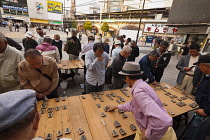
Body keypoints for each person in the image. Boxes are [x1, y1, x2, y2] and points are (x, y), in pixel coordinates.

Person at [107, 62, 176, 140]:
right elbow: (133, 105)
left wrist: (147, 136)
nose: (125, 81)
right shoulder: (142, 85)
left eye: (124, 78)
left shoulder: (138, 92)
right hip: (154, 130)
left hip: (158, 135)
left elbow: (162, 121)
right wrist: (116, 107)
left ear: (127, 77)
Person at [182, 55, 210, 140]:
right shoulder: (207, 76)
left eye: (199, 65)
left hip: (205, 111)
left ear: (206, 66)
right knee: (194, 128)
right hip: (202, 106)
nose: (198, 67)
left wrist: (206, 111)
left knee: (197, 131)